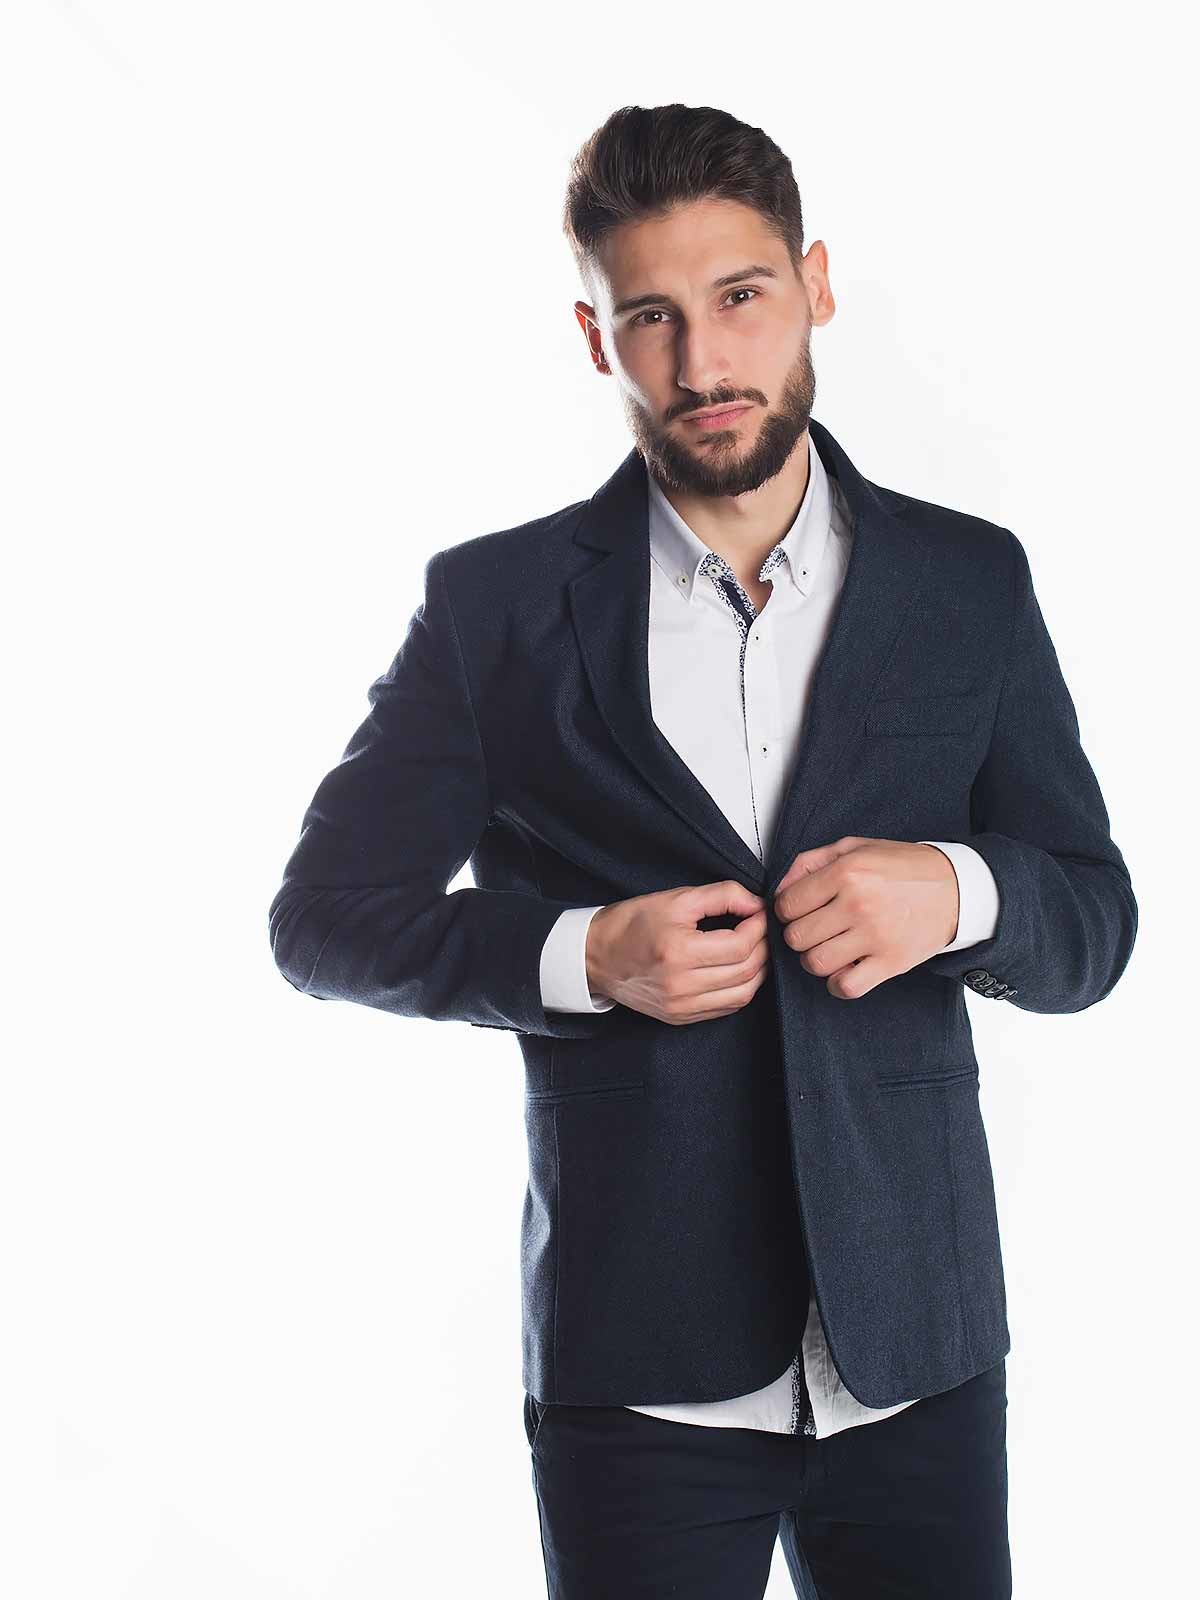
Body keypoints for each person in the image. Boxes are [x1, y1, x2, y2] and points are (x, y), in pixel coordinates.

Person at [268, 102, 1137, 1599]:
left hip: (919, 1354)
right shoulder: (495, 608)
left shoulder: (967, 582)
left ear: (814, 284)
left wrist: (961, 893)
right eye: (651, 317)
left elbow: (1094, 925)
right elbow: (324, 917)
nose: (704, 363)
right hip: (638, 1371)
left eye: (739, 297)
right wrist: (580, 956)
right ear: (597, 339)